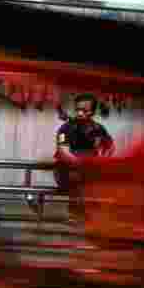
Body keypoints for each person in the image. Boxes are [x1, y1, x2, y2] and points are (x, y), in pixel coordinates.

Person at [54, 93, 115, 221]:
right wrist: (80, 164)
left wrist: (102, 159)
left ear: (92, 112)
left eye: (85, 110)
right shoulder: (66, 128)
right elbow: (63, 151)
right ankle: (76, 213)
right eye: (77, 109)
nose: (80, 113)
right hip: (67, 172)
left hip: (89, 172)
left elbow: (110, 147)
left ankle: (88, 212)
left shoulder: (98, 129)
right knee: (77, 175)